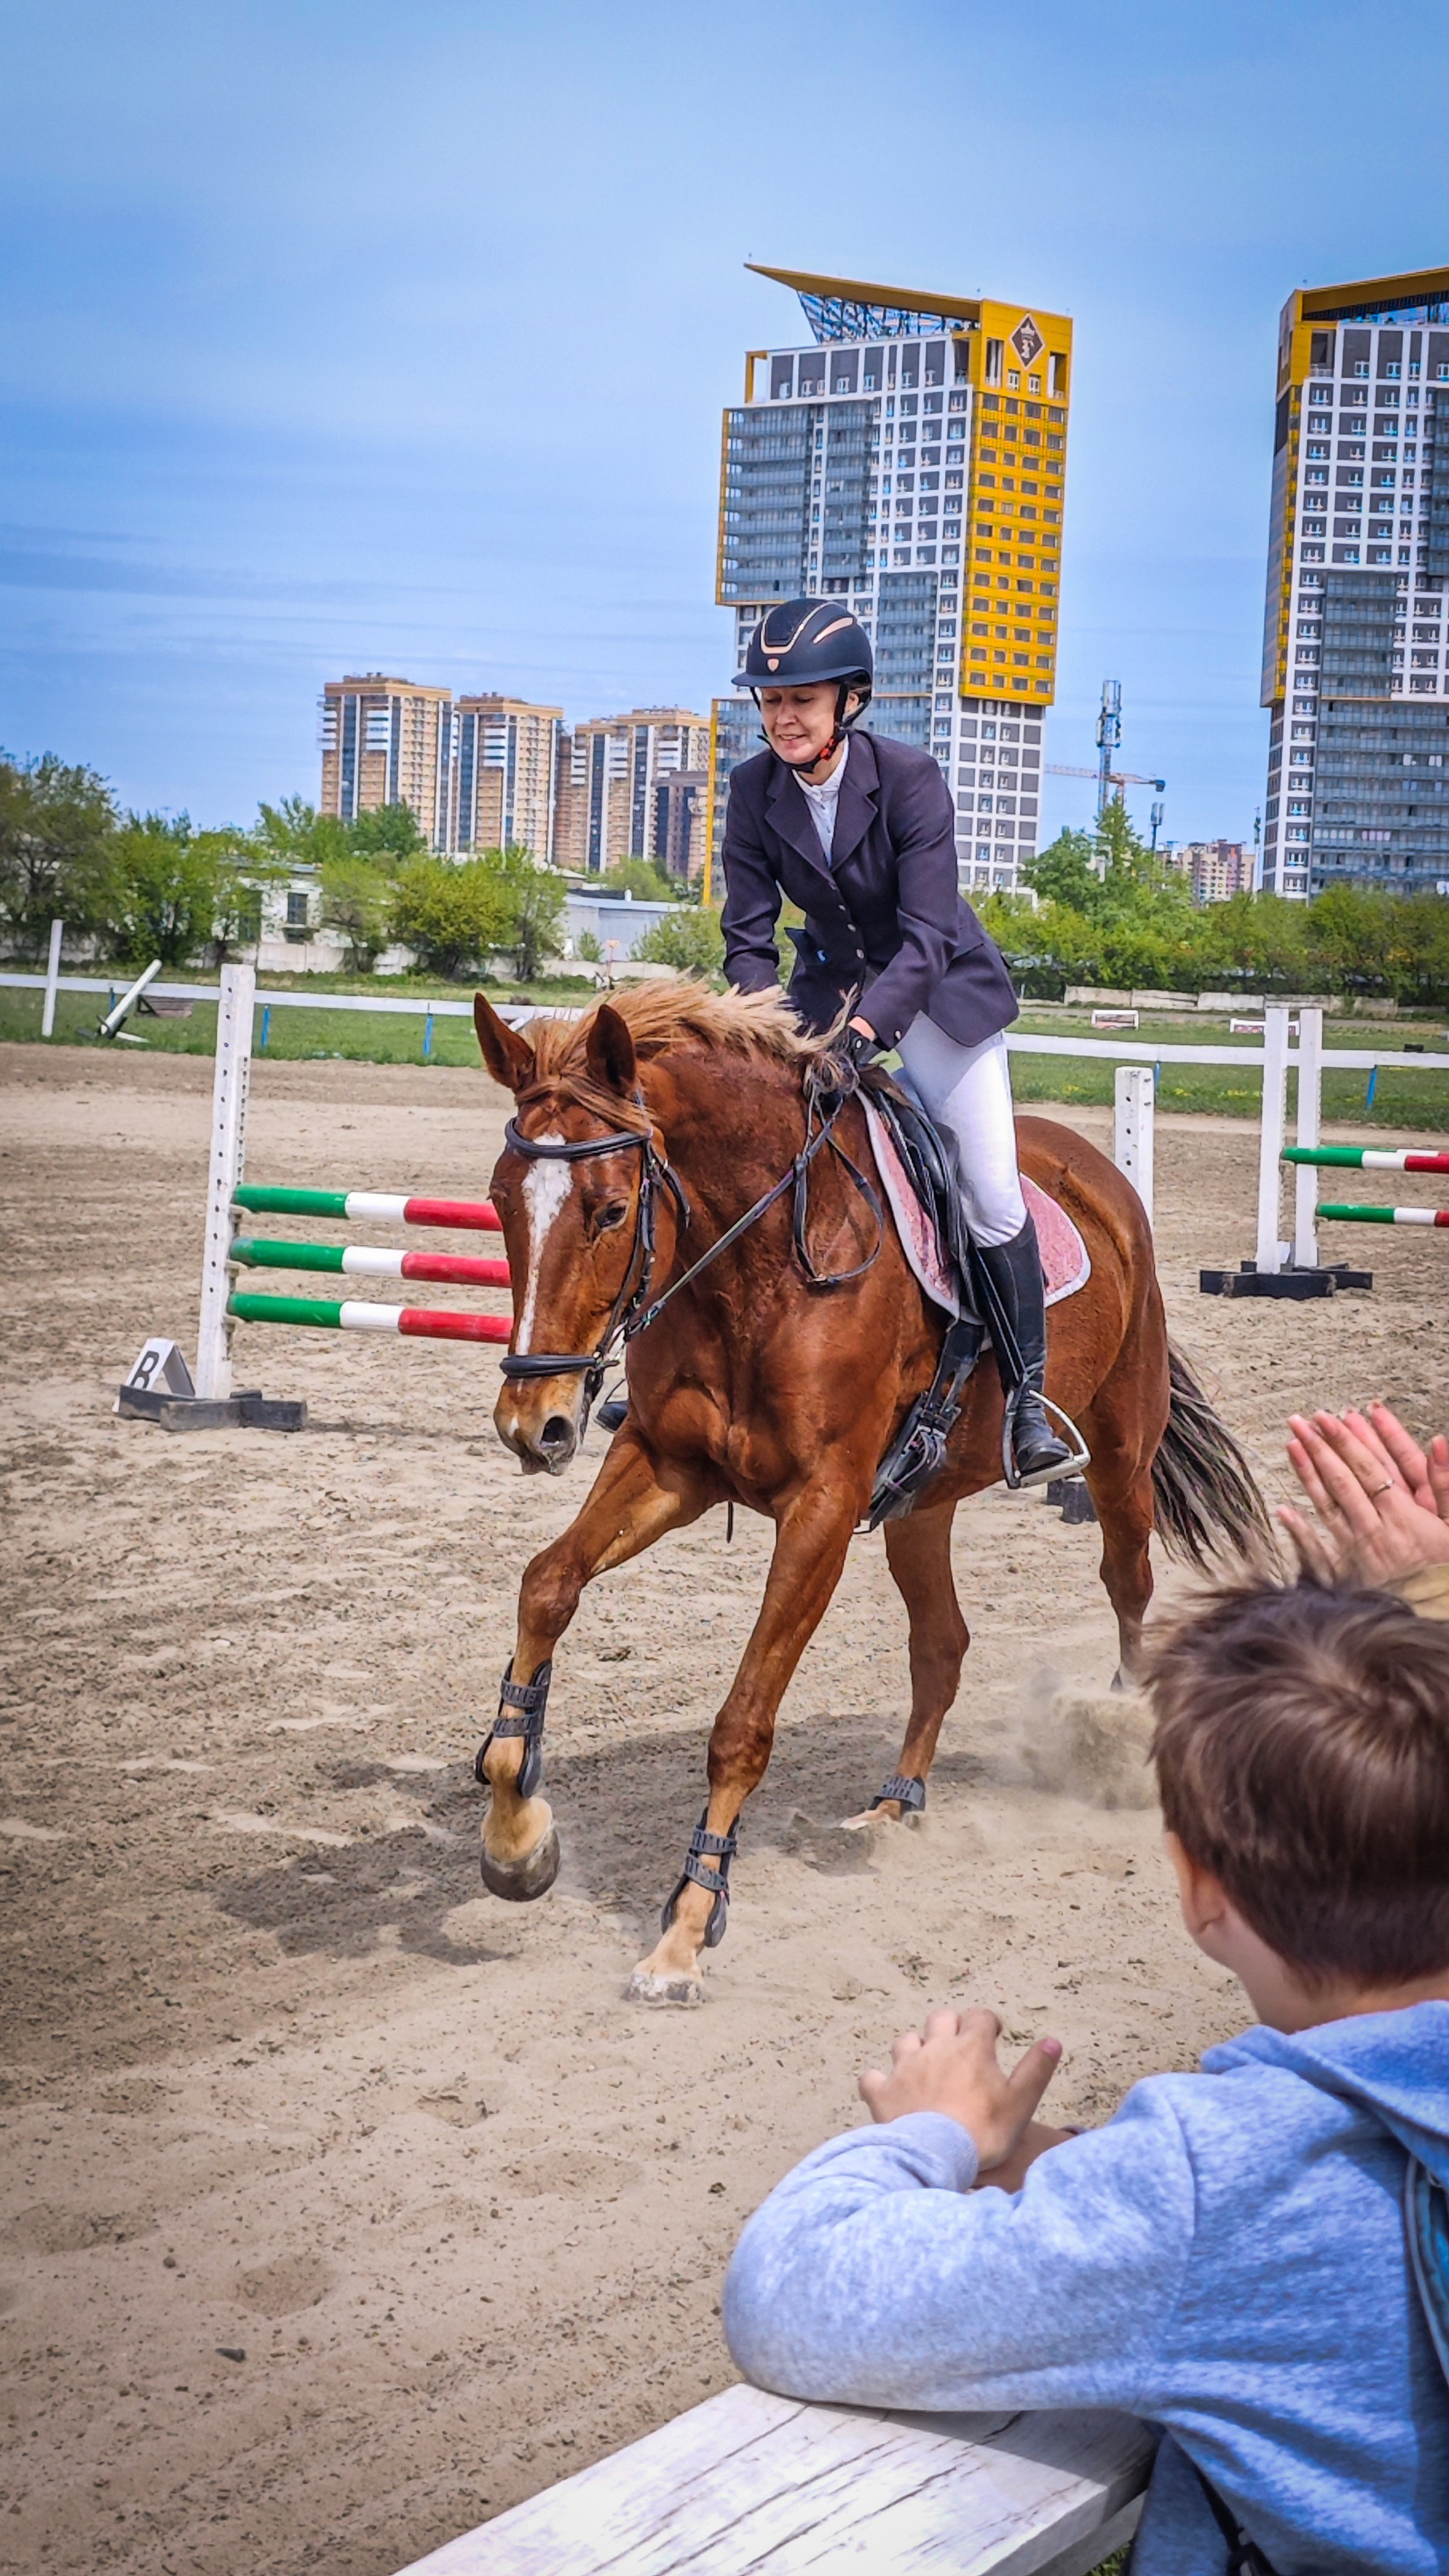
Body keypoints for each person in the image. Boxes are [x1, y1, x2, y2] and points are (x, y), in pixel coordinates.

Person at [722, 1567, 1449, 2573]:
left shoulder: (1210, 2185)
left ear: (1199, 1888)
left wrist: (932, 2132)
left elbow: (788, 2296)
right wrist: (1069, 2160)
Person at [719, 596, 1079, 1489]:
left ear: (850, 700)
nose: (783, 717)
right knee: (743, 1154)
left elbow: (925, 939)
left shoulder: (911, 779)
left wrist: (863, 1036)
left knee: (989, 1191)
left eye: (802, 699)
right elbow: (748, 936)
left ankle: (1028, 1404)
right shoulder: (753, 790)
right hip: (824, 991)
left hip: (936, 994)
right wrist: (762, 1030)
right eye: (771, 700)